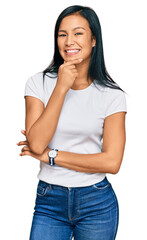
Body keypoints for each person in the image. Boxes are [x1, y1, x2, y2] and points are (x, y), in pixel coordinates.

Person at [17, 5, 127, 240]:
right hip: (49, 200)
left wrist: (52, 156)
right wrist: (62, 87)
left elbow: (112, 161)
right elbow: (36, 144)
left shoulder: (111, 96)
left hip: (97, 202)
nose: (69, 41)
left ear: (94, 40)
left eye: (78, 33)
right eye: (62, 34)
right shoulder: (38, 84)